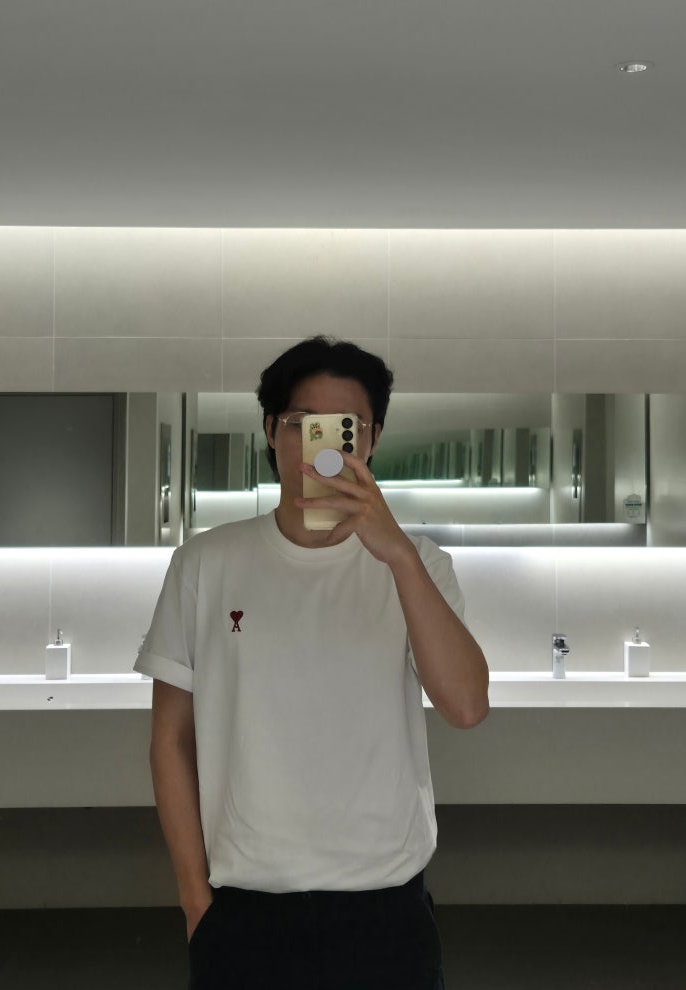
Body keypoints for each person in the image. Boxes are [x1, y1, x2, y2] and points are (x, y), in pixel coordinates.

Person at [134, 336, 489, 990]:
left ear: (371, 439)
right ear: (272, 431)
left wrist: (396, 554)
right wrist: (194, 900)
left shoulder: (418, 563)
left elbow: (465, 707)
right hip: (243, 907)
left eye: (344, 426)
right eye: (302, 423)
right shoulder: (206, 563)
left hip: (386, 907)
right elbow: (169, 739)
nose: (321, 446)